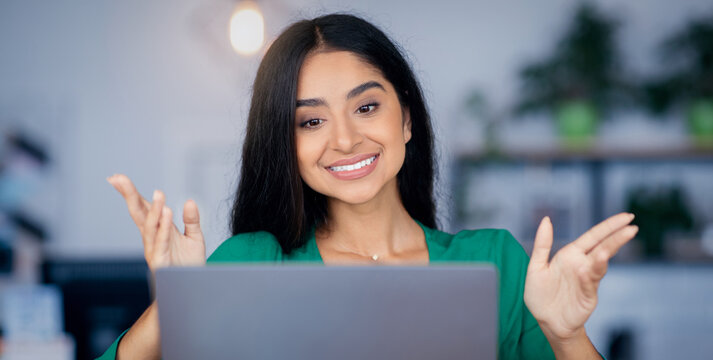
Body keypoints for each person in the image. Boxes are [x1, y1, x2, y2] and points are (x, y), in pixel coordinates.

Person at [99, 13, 637, 360]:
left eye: (366, 107)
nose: (345, 139)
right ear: (285, 144)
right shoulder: (251, 260)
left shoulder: (496, 260)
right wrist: (175, 305)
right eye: (310, 121)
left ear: (405, 119)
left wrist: (567, 336)